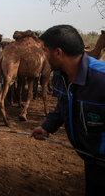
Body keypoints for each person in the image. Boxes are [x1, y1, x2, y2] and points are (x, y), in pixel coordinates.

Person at [31, 25, 105, 196]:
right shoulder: (61, 76)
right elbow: (63, 105)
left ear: (58, 53)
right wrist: (47, 127)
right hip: (91, 162)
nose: (43, 56)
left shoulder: (101, 80)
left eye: (45, 51)